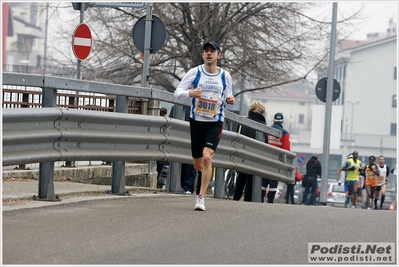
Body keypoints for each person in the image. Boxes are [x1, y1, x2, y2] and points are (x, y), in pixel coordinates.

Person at [174, 41, 235, 211]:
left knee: (207, 157)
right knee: (198, 165)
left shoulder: (225, 76)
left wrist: (230, 99)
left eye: (212, 51)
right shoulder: (195, 73)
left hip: (215, 122)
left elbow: (228, 96)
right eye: (206, 51)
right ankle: (202, 179)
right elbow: (177, 93)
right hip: (197, 122)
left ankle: (200, 197)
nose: (209, 54)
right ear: (203, 55)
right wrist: (190, 93)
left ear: (218, 55)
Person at [233, 101, 268, 202]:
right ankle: (248, 200)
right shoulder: (263, 126)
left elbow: (236, 136)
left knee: (241, 177)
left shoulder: (243, 121)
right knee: (252, 179)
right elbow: (266, 144)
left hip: (242, 153)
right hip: (256, 157)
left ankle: (236, 198)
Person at [169, 105, 197, 195]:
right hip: (179, 138)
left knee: (190, 163)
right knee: (178, 163)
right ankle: (177, 185)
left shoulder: (196, 105)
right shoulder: (176, 106)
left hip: (192, 138)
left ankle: (187, 187)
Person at [264, 113, 291, 203]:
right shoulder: (285, 133)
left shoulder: (267, 130)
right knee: (273, 182)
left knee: (263, 180)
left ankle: (260, 198)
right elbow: (286, 149)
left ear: (273, 120)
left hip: (265, 159)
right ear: (282, 121)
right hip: (276, 161)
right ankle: (270, 201)